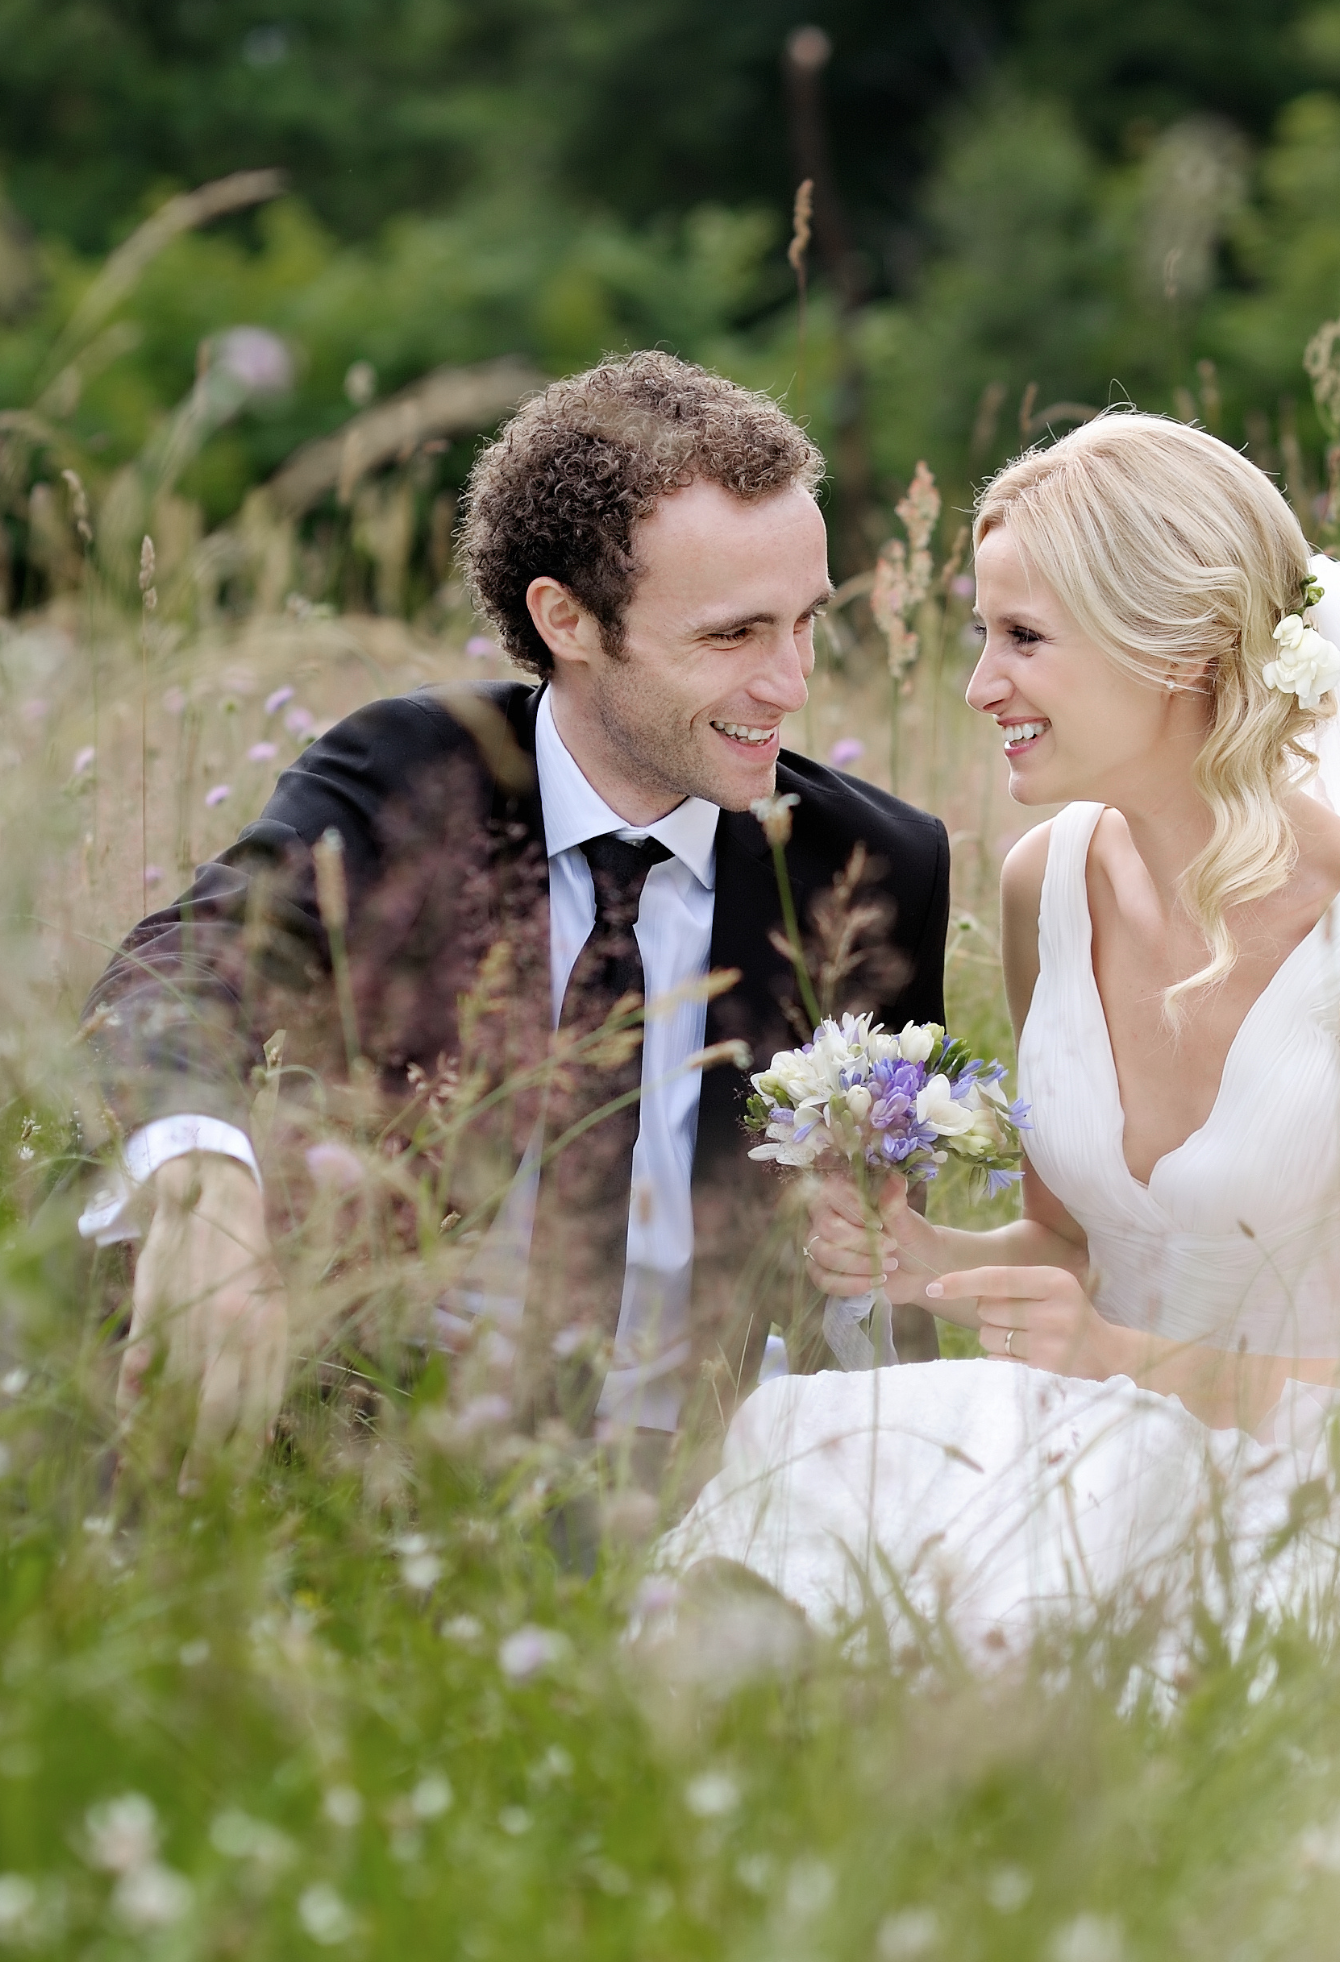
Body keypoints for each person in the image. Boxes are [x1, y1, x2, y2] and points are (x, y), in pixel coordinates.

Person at [659, 413, 1340, 1666]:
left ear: (1179, 650)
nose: (981, 685)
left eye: (1025, 638)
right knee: (816, 1454)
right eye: (982, 635)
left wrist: (1118, 1358)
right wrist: (925, 1260)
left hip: (1328, 1462)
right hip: (1100, 1428)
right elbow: (1072, 1242)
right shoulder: (1045, 884)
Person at [82, 351, 953, 1485]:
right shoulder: (408, 778)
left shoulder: (876, 867)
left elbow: (877, 1278)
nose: (790, 683)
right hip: (382, 1451)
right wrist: (203, 1179)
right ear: (567, 619)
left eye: (806, 623)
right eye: (732, 636)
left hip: (705, 1473)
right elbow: (181, 968)